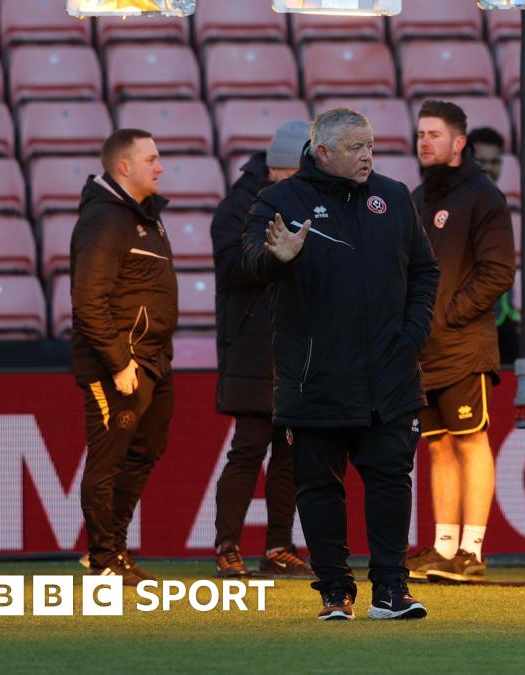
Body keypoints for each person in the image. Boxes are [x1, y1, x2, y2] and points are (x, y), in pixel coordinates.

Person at [242, 108, 440, 621]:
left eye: (371, 145)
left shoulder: (393, 197)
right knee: (319, 489)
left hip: (389, 375)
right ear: (323, 152)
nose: (368, 155)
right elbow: (249, 261)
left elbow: (425, 272)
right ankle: (335, 589)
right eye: (356, 147)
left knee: (391, 482)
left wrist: (413, 334)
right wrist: (275, 259)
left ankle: (392, 591)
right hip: (315, 378)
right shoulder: (280, 200)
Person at [407, 100, 516, 584]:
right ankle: (443, 546)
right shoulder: (416, 198)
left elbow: (499, 273)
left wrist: (449, 316)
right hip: (423, 350)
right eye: (420, 134)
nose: (424, 141)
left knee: (471, 441)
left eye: (433, 134)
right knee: (436, 447)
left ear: (458, 143)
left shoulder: (483, 196)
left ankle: (472, 550)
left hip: (464, 345)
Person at [210, 120, 313, 580]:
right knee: (248, 448)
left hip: (294, 342)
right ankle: (227, 545)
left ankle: (278, 544)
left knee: (290, 450)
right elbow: (233, 268)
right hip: (254, 344)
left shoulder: (303, 198)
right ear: (283, 168)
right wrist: (282, 256)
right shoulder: (237, 208)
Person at [72, 128, 176, 586]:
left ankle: (114, 547)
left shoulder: (146, 217)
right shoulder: (103, 221)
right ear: (123, 167)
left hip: (153, 359)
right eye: (151, 159)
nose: (160, 166)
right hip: (120, 365)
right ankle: (102, 557)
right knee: (108, 459)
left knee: (147, 450)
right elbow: (88, 300)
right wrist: (118, 362)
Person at [467, 126, 520, 364]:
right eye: (481, 161)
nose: (489, 168)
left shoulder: (497, 200)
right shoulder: (457, 203)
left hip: (504, 315)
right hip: (472, 321)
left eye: (495, 161)